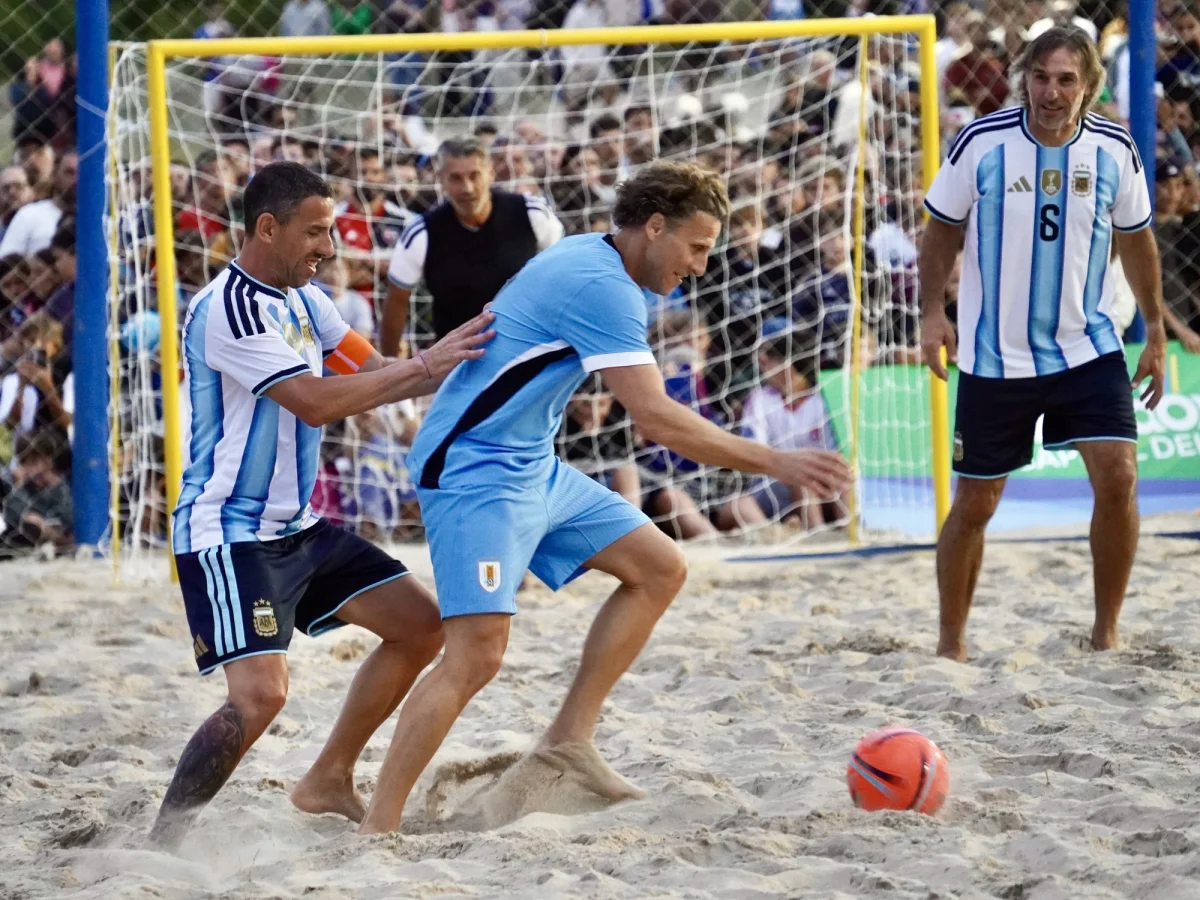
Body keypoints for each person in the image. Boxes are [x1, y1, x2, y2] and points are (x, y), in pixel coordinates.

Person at [349, 160, 851, 835]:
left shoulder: (595, 253)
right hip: (472, 469)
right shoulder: (602, 284)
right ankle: (378, 830)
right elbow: (657, 420)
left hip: (531, 463)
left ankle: (567, 743)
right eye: (696, 247)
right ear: (653, 227)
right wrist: (778, 461)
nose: (701, 267)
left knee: (660, 567)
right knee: (476, 654)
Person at [146, 162, 495, 850]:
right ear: (267, 228)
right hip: (229, 529)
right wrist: (426, 365)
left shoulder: (306, 300)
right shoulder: (228, 308)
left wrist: (460, 381)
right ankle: (161, 843)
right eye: (316, 232)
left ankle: (330, 776)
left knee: (424, 627)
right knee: (261, 697)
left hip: (297, 526)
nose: (328, 248)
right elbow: (313, 398)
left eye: (330, 232)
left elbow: (368, 372)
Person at [919, 27, 1167, 663]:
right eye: (1040, 77)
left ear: (1088, 87)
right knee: (976, 501)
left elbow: (1138, 242)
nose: (1050, 92)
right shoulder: (982, 142)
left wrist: (1156, 330)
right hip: (992, 355)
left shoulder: (1115, 148)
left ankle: (1105, 631)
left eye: (1065, 80)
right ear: (1022, 77)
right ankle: (951, 644)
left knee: (1119, 476)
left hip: (1087, 346)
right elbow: (940, 231)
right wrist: (929, 313)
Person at [380, 136, 564, 353]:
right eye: (456, 178)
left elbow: (562, 274)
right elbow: (396, 300)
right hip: (458, 358)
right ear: (441, 180)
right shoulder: (422, 234)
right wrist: (390, 364)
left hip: (528, 348)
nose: (467, 188)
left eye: (474, 176)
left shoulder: (532, 214)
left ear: (490, 173)